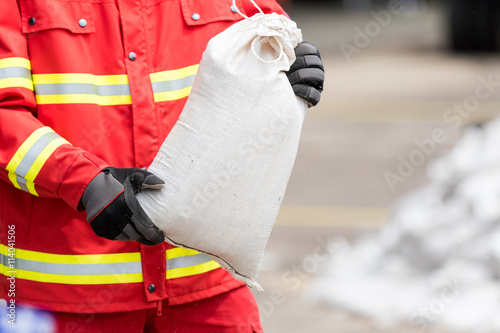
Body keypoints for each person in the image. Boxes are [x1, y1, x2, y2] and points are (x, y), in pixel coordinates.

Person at [0, 0, 324, 331]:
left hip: (206, 281)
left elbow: (271, 33)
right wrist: (83, 181)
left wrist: (294, 65)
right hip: (66, 293)